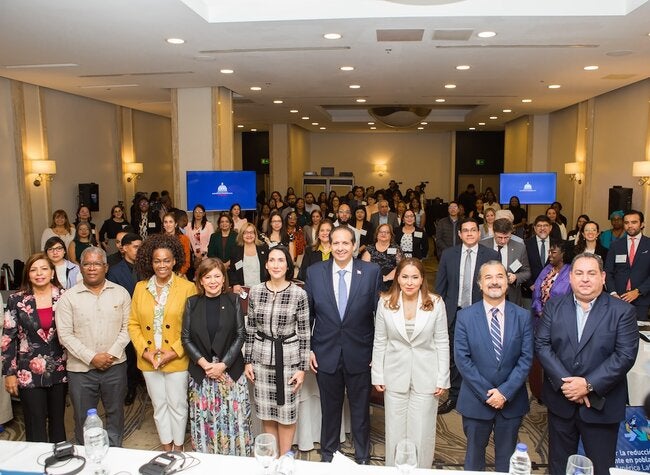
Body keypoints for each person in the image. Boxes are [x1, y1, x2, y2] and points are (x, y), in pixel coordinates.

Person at [536, 253, 639, 475]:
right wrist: (568, 384)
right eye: (579, 273)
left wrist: (588, 384)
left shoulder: (623, 311)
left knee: (601, 468)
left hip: (602, 405)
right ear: (570, 277)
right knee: (558, 467)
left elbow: (625, 355)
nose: (585, 279)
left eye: (591, 273)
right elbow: (542, 345)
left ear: (603, 277)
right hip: (561, 402)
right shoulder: (554, 306)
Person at [305, 226, 382, 463]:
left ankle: (362, 458)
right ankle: (328, 456)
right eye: (336, 243)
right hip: (325, 353)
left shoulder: (371, 272)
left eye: (345, 243)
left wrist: (377, 353)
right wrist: (308, 349)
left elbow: (379, 316)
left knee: (360, 411)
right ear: (329, 244)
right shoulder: (314, 272)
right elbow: (307, 316)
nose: (340, 248)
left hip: (360, 353)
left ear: (354, 246)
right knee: (330, 410)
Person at [454, 260, 533, 472]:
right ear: (480, 284)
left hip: (511, 401)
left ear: (507, 282)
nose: (494, 282)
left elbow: (526, 359)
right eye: (488, 277)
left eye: (499, 276)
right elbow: (462, 359)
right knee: (474, 458)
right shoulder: (465, 316)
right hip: (476, 400)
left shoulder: (523, 316)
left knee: (507, 460)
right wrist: (488, 394)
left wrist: (504, 393)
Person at [371, 258, 449, 468]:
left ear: (422, 279)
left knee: (422, 431)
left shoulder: (436, 303)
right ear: (397, 278)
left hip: (427, 376)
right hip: (394, 374)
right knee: (394, 431)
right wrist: (377, 374)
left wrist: (443, 377)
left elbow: (442, 342)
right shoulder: (385, 302)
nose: (409, 282)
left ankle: (421, 470)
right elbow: (380, 341)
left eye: (415, 277)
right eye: (405, 277)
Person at [56, 247, 131, 446]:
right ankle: (86, 454)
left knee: (115, 413)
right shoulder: (68, 298)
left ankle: (115, 451)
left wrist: (111, 355)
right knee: (82, 417)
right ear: (80, 268)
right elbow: (65, 335)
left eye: (97, 264)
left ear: (106, 267)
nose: (92, 268)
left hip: (115, 366)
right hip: (81, 370)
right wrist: (92, 357)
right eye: (87, 264)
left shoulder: (121, 293)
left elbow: (128, 328)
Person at [129, 234, 197, 452]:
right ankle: (167, 448)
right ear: (151, 262)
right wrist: (145, 352)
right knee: (159, 406)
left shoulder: (187, 288)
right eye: (157, 261)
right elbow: (133, 324)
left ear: (174, 261)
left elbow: (191, 327)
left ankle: (179, 447)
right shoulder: (140, 288)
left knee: (178, 405)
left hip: (176, 358)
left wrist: (173, 352)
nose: (162, 265)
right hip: (149, 359)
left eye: (166, 260)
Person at [182, 258, 252, 455]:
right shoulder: (192, 303)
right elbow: (186, 338)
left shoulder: (233, 300)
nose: (212, 281)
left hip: (230, 374)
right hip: (202, 375)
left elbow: (240, 334)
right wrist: (206, 365)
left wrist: (223, 365)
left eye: (217, 276)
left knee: (234, 422)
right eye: (207, 277)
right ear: (200, 280)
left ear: (223, 279)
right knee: (206, 424)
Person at [244, 246, 310, 455]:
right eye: (272, 260)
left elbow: (304, 333)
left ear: (288, 265)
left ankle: (284, 458)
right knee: (267, 413)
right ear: (266, 265)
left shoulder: (298, 294)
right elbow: (250, 328)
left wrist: (302, 368)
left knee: (287, 414)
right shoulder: (256, 291)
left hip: (289, 362)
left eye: (281, 260)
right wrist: (248, 361)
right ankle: (271, 458)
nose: (276, 265)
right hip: (261, 360)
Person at [435, 218, 500, 414]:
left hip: (481, 314)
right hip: (455, 313)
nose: (470, 233)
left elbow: (496, 286)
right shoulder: (448, 254)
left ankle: (480, 394)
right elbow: (440, 286)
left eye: (473, 230)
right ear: (460, 234)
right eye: (465, 230)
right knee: (456, 356)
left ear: (479, 233)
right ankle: (454, 396)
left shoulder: (491, 255)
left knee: (481, 355)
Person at [2, 253, 67, 442]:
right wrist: (9, 373)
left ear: (52, 273)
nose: (39, 273)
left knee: (58, 420)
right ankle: (36, 459)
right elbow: (8, 339)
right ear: (28, 274)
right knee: (35, 421)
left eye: (44, 269)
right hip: (28, 371)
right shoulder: (17, 300)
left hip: (59, 368)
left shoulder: (64, 297)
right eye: (33, 270)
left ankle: (60, 456)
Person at [106, 232, 143, 406]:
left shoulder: (148, 268)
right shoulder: (114, 271)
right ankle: (131, 387)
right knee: (129, 355)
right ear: (125, 248)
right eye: (136, 247)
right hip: (125, 318)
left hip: (146, 319)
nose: (139, 250)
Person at [605, 209, 650, 321]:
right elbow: (608, 271)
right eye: (626, 222)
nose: (630, 226)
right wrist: (613, 293)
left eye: (634, 222)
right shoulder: (615, 245)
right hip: (618, 299)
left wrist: (638, 291)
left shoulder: (648, 244)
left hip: (642, 300)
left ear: (642, 224)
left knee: (639, 330)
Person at [479, 218, 531, 306]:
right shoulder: (482, 245)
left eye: (507, 237)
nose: (503, 241)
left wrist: (516, 277)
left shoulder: (520, 248)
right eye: (499, 237)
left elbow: (527, 272)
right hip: (486, 294)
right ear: (493, 232)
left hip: (510, 296)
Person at [532, 240, 572, 319]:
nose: (549, 255)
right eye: (549, 252)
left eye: (553, 252)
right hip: (540, 316)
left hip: (559, 318)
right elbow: (536, 290)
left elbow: (565, 297)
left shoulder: (570, 272)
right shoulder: (548, 268)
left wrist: (550, 316)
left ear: (563, 254)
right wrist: (539, 311)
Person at [228, 222, 269, 294]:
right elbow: (232, 270)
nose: (249, 235)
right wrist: (235, 284)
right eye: (246, 233)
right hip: (243, 290)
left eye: (251, 232)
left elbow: (269, 268)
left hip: (262, 289)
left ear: (255, 234)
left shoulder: (263, 248)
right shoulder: (236, 250)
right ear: (242, 235)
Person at [362, 223, 404, 292]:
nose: (383, 234)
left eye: (387, 232)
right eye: (381, 232)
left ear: (391, 235)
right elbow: (365, 268)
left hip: (392, 284)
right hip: (373, 283)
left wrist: (387, 278)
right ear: (377, 234)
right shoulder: (370, 249)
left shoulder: (396, 249)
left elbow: (401, 266)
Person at [524, 215, 553, 297]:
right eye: (539, 226)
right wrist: (530, 284)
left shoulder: (559, 244)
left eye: (545, 225)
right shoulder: (525, 244)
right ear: (534, 228)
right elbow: (521, 266)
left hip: (553, 292)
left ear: (550, 228)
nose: (542, 228)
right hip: (530, 291)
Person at [162, 212, 191, 277]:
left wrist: (179, 273)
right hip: (163, 273)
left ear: (175, 224)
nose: (168, 225)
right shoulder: (159, 240)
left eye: (171, 222)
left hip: (179, 273)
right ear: (163, 225)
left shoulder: (184, 239)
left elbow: (186, 261)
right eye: (165, 222)